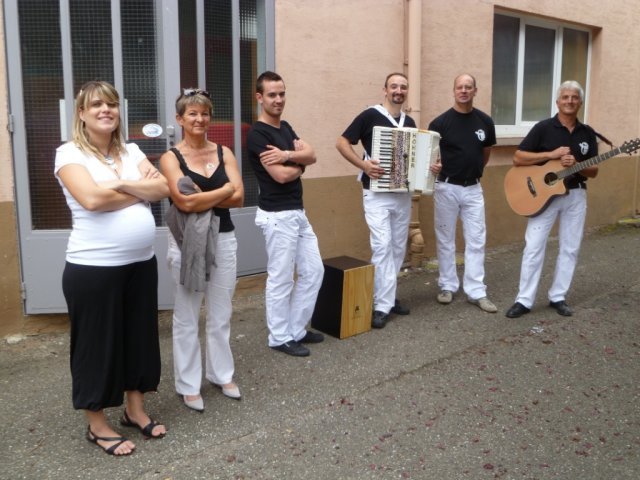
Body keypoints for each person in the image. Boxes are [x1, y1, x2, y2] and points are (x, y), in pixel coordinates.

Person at [54, 80, 168, 456]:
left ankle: (134, 410)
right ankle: (97, 424)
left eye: (112, 104)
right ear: (82, 114)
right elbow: (90, 199)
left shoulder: (131, 149)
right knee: (95, 346)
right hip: (93, 268)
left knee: (138, 338)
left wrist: (118, 185)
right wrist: (136, 185)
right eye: (96, 105)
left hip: (140, 264)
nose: (106, 110)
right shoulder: (69, 154)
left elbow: (164, 188)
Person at [159, 88, 244, 411]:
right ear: (179, 119)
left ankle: (221, 374)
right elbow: (183, 201)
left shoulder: (224, 152)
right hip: (186, 242)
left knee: (221, 311)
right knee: (187, 314)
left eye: (204, 113)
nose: (200, 119)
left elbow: (239, 198)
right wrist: (223, 188)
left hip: (224, 237)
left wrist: (204, 197)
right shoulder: (171, 157)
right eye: (192, 113)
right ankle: (188, 383)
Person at [246, 71, 325, 357]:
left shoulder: (286, 127)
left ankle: (297, 329)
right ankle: (279, 337)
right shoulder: (258, 134)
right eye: (272, 95)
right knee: (281, 278)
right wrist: (299, 163)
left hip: (297, 212)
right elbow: (280, 176)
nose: (278, 99)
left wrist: (290, 156)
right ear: (259, 97)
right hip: (277, 215)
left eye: (282, 94)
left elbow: (313, 154)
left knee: (314, 271)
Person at [506, 80, 598, 318]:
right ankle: (524, 300)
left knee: (570, 248)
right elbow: (518, 158)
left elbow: (594, 171)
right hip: (544, 196)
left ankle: (558, 296)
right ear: (557, 102)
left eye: (574, 98)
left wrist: (577, 165)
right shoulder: (543, 128)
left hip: (575, 195)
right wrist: (551, 154)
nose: (569, 101)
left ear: (580, 102)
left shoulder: (587, 133)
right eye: (565, 97)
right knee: (534, 247)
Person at [336, 72, 415, 329]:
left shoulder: (410, 121)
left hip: (402, 194)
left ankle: (388, 297)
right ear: (385, 90)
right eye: (394, 86)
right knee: (382, 246)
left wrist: (431, 168)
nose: (398, 91)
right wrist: (363, 164)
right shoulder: (370, 115)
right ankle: (381, 306)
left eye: (403, 87)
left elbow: (414, 157)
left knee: (397, 248)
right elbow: (342, 142)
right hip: (376, 193)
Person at [427, 73, 497, 313]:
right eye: (460, 87)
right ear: (454, 90)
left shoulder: (485, 122)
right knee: (446, 239)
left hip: (473, 189)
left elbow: (485, 153)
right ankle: (447, 285)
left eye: (469, 87)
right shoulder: (440, 123)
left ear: (475, 91)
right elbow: (432, 157)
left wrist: (473, 170)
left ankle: (476, 291)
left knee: (476, 240)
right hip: (446, 187)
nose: (464, 91)